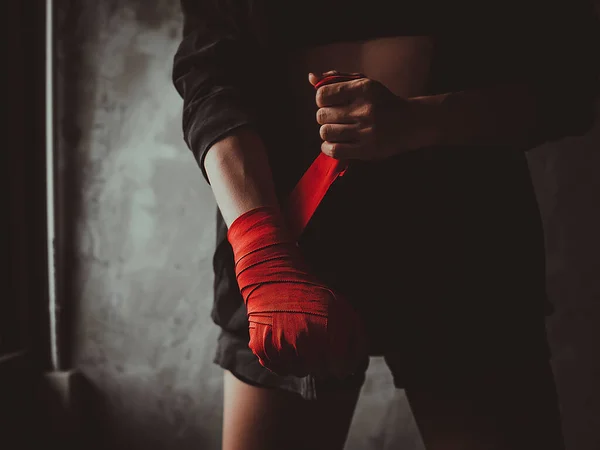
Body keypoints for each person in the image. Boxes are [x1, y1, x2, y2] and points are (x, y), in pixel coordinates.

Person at [172, 1, 600, 449]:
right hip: (285, 230)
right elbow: (209, 78)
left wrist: (422, 120)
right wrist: (263, 253)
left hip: (463, 235)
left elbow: (570, 83)